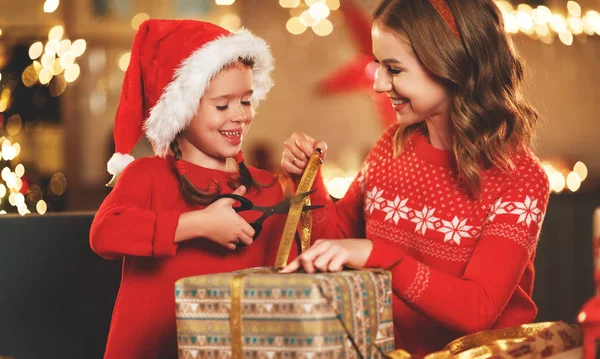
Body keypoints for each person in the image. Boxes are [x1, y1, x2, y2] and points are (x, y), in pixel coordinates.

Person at [279, 0, 550, 356]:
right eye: (378, 65)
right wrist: (308, 181)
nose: (377, 83)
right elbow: (335, 249)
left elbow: (476, 309)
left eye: (393, 68)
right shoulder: (390, 148)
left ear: (450, 63)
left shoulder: (519, 178)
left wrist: (379, 255)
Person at [89, 19, 285, 359]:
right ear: (181, 110)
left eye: (246, 101)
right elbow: (105, 234)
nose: (239, 116)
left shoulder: (266, 188)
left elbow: (284, 283)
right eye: (222, 105)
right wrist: (199, 225)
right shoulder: (146, 175)